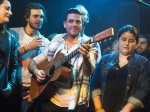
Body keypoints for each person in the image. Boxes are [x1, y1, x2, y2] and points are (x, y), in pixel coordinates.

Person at [28, 8, 99, 112]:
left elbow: (90, 72)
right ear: (64, 24)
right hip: (52, 98)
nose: (74, 24)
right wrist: (36, 71)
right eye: (70, 21)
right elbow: (33, 62)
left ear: (82, 24)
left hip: (76, 102)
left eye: (78, 21)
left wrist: (86, 57)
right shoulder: (56, 41)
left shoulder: (90, 44)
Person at [90, 24, 150, 112]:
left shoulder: (143, 62)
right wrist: (99, 108)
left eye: (131, 40)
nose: (126, 43)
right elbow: (94, 84)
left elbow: (144, 89)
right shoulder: (105, 59)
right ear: (118, 39)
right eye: (123, 39)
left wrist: (126, 110)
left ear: (136, 43)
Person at [10, 3, 50, 112]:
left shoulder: (46, 42)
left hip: (31, 89)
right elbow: (6, 58)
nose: (39, 19)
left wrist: (35, 92)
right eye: (35, 16)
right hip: (12, 87)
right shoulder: (13, 33)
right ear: (27, 17)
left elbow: (47, 70)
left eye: (41, 17)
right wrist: (28, 47)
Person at [0, 0, 18, 111]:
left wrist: (11, 85)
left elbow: (14, 66)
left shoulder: (11, 39)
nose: (10, 13)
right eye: (7, 8)